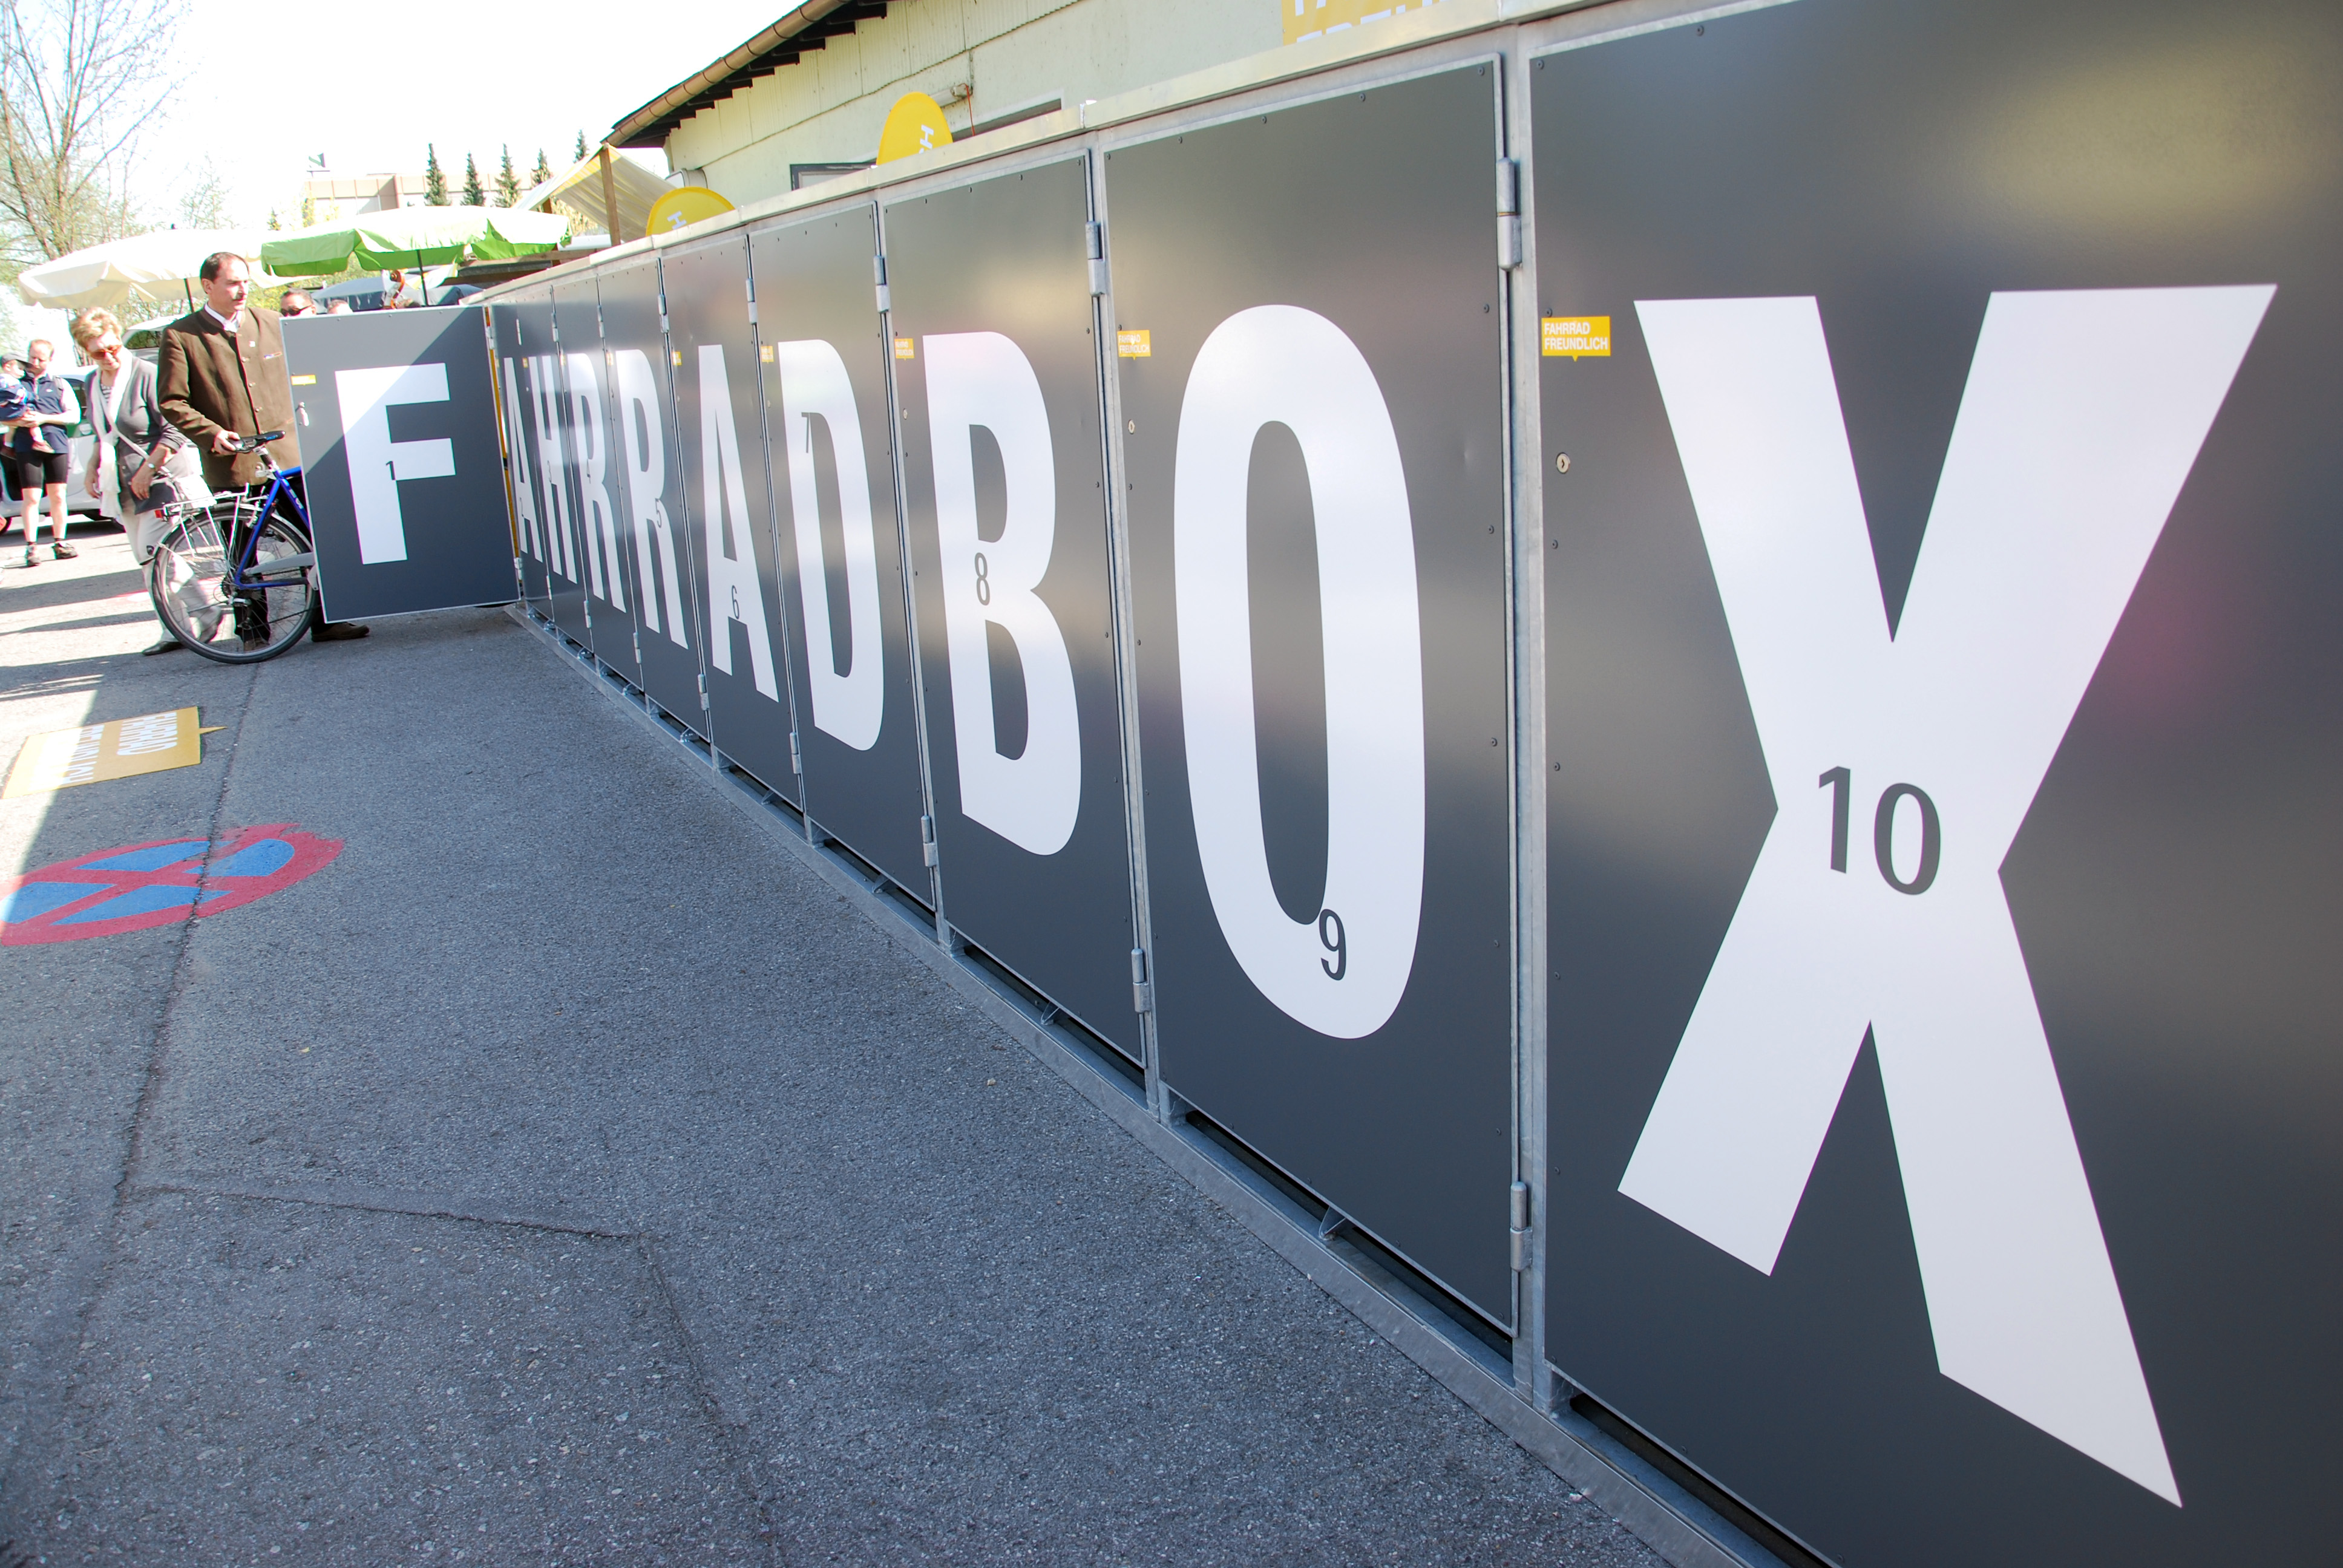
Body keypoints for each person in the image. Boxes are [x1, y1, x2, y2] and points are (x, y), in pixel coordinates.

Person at [157, 251, 367, 642]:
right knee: (242, 551)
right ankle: (252, 629)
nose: (242, 290)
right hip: (232, 462)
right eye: (232, 283)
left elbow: (308, 372)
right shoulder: (182, 335)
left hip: (286, 455)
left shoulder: (271, 322)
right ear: (208, 286)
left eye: (245, 282)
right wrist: (211, 433)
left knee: (312, 537)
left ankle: (327, 619)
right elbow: (172, 401)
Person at [71, 307, 209, 653]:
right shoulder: (92, 382)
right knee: (146, 559)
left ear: (120, 340)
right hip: (121, 482)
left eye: (113, 348)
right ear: (86, 352)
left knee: (154, 554)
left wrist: (148, 469)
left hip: (160, 477)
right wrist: (91, 469)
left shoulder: (147, 374)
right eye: (98, 353)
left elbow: (175, 428)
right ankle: (178, 626)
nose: (109, 357)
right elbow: (104, 433)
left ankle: (199, 615)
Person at [11, 338, 83, 565]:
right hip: (27, 445)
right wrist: (19, 421)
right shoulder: (16, 384)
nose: (35, 362)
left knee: (58, 495)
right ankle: (31, 547)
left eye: (41, 359)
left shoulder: (60, 384)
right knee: (31, 497)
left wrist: (44, 418)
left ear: (50, 360)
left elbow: (74, 416)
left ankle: (60, 542)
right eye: (32, 357)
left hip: (56, 443)